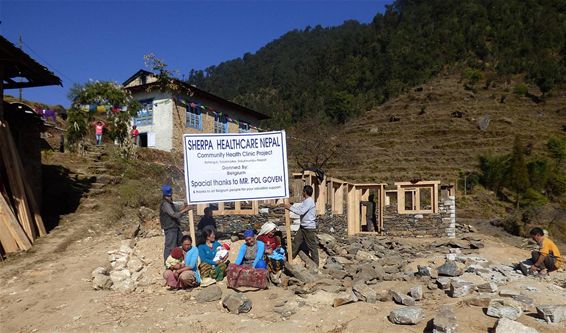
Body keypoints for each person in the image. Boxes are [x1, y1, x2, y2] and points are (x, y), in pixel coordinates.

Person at [283, 185, 319, 267]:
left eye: (303, 191)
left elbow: (301, 211)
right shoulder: (306, 201)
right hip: (303, 226)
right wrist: (290, 206)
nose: (302, 193)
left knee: (312, 246)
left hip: (308, 227)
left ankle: (316, 264)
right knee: (296, 242)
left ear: (305, 192)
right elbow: (300, 208)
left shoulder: (309, 201)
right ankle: (290, 257)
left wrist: (290, 207)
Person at [159, 185, 190, 262]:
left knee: (180, 243)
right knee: (170, 246)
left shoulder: (169, 203)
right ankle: (168, 263)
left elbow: (177, 211)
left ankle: (179, 260)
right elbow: (174, 214)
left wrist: (184, 208)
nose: (170, 197)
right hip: (170, 228)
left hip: (175, 227)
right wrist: (185, 209)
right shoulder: (165, 204)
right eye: (168, 195)